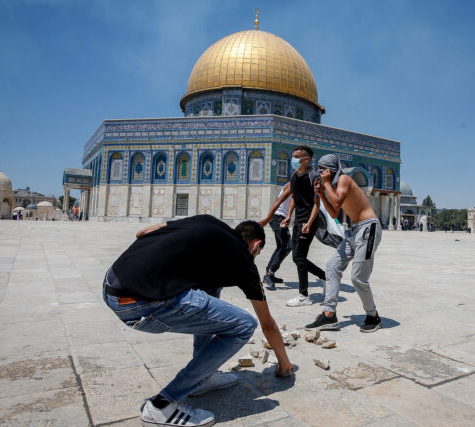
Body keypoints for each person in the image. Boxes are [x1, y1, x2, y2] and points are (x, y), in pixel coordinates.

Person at [103, 215, 294, 427]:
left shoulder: (207, 221)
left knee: (212, 286)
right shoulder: (244, 262)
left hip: (112, 283)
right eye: (257, 253)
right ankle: (161, 406)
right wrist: (284, 364)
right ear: (256, 245)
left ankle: (204, 378)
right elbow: (267, 323)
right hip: (137, 304)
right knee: (244, 325)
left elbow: (143, 233)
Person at [304, 154, 383, 333]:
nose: (319, 173)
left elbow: (338, 202)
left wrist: (324, 185)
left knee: (358, 278)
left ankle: (373, 316)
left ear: (330, 170)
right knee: (332, 267)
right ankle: (329, 315)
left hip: (368, 228)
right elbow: (333, 212)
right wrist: (320, 194)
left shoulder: (344, 179)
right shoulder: (332, 186)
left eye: (322, 169)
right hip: (354, 232)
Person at [260, 145, 326, 307]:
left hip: (309, 221)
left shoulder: (313, 177)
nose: (293, 159)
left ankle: (304, 295)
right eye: (293, 156)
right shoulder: (295, 176)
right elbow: (293, 197)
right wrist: (289, 216)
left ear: (306, 159)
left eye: (297, 156)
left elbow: (317, 204)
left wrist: (309, 223)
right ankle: (326, 277)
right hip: (298, 221)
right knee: (298, 257)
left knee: (298, 257)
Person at [261, 182, 293, 289]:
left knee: (281, 246)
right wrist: (268, 218)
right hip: (277, 218)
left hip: (279, 218)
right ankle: (269, 273)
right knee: (288, 245)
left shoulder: (293, 184)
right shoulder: (292, 184)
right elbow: (279, 201)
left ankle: (270, 273)